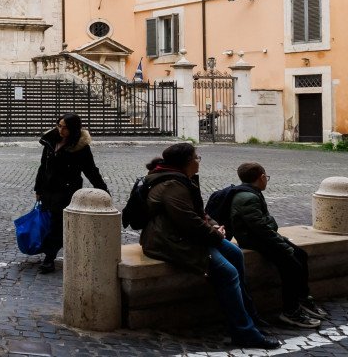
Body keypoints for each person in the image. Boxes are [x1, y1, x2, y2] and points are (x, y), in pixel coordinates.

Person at [140, 142, 282, 350]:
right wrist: (214, 235)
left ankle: (250, 316)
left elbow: (200, 213)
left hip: (185, 235)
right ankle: (244, 332)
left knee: (235, 253)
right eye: (197, 157)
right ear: (187, 162)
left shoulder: (182, 179)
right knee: (228, 273)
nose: (199, 161)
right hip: (170, 240)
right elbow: (187, 221)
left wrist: (215, 227)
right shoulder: (172, 185)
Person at [224, 162, 328, 329]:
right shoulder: (248, 197)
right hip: (254, 240)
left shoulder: (250, 193)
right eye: (267, 177)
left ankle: (303, 299)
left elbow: (264, 224)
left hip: (260, 237)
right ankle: (290, 311)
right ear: (262, 177)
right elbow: (262, 228)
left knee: (301, 254)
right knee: (292, 265)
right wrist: (283, 245)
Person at [32, 114, 108, 273]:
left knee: (57, 224)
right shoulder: (50, 141)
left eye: (65, 127)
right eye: (59, 125)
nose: (61, 130)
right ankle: (59, 250)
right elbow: (42, 167)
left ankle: (49, 257)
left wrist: (103, 189)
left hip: (66, 190)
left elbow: (91, 170)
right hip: (48, 189)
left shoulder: (80, 147)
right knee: (51, 221)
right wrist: (38, 189)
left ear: (73, 128)